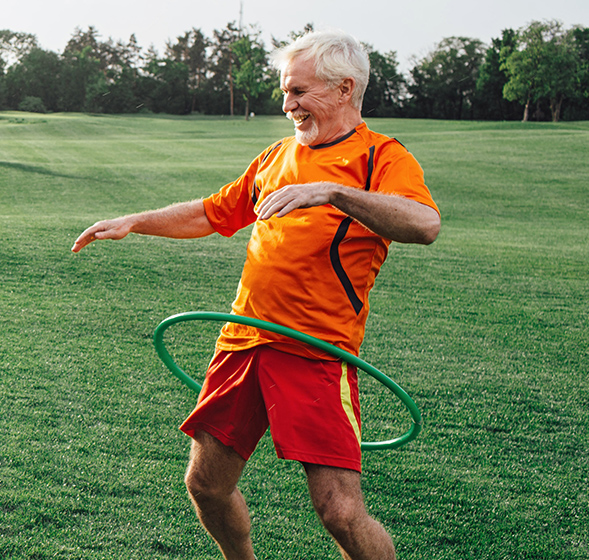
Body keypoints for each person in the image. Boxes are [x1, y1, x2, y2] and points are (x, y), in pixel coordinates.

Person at [72, 29, 440, 560]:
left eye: (299, 92)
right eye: (285, 91)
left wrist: (333, 192)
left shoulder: (380, 158)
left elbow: (425, 224)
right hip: (243, 342)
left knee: (339, 509)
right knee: (206, 485)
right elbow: (210, 213)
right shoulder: (274, 157)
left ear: (343, 89)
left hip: (315, 350)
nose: (287, 104)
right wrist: (135, 221)